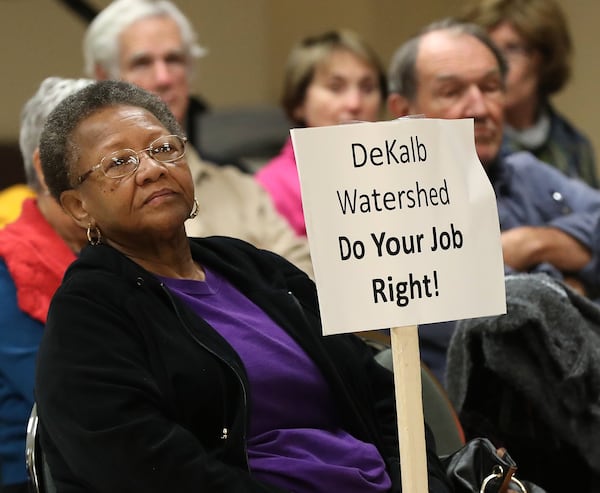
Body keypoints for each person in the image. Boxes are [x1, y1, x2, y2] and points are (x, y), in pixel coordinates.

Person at [34, 79, 452, 492]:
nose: (152, 170)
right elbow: (147, 468)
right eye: (119, 163)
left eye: (163, 149)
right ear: (78, 206)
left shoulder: (251, 266)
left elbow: (376, 389)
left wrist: (419, 482)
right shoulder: (87, 315)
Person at [387, 18, 600, 381]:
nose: (480, 108)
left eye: (490, 87)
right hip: (468, 426)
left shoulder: (523, 172)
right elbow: (505, 327)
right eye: (452, 92)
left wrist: (529, 244)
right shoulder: (383, 204)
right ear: (404, 110)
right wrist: (568, 284)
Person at [83, 0, 314, 277]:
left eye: (174, 60)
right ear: (103, 77)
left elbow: (303, 275)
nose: (163, 77)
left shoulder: (239, 187)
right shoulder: (92, 200)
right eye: (142, 62)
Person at [0, 77, 92, 492]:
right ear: (45, 167)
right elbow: (79, 405)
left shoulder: (116, 248)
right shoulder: (5, 266)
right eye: (109, 157)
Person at [256, 29, 387, 236]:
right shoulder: (270, 188)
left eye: (367, 88)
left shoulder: (398, 172)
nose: (355, 103)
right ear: (299, 102)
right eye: (336, 88)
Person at [461, 0, 598, 187]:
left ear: (545, 60)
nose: (497, 66)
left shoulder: (574, 145)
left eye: (512, 49)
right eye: (489, 49)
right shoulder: (470, 139)